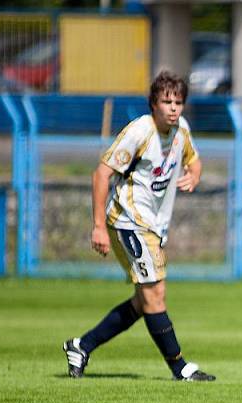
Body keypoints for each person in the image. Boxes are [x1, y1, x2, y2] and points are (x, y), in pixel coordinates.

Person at [62, 71, 215, 382]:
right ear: (153, 104)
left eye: (178, 102)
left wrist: (195, 175)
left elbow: (194, 160)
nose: (173, 108)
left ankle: (81, 345)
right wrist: (98, 227)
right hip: (128, 221)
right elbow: (101, 175)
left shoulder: (181, 130)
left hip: (153, 227)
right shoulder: (138, 132)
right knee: (155, 295)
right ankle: (180, 367)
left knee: (145, 301)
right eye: (166, 101)